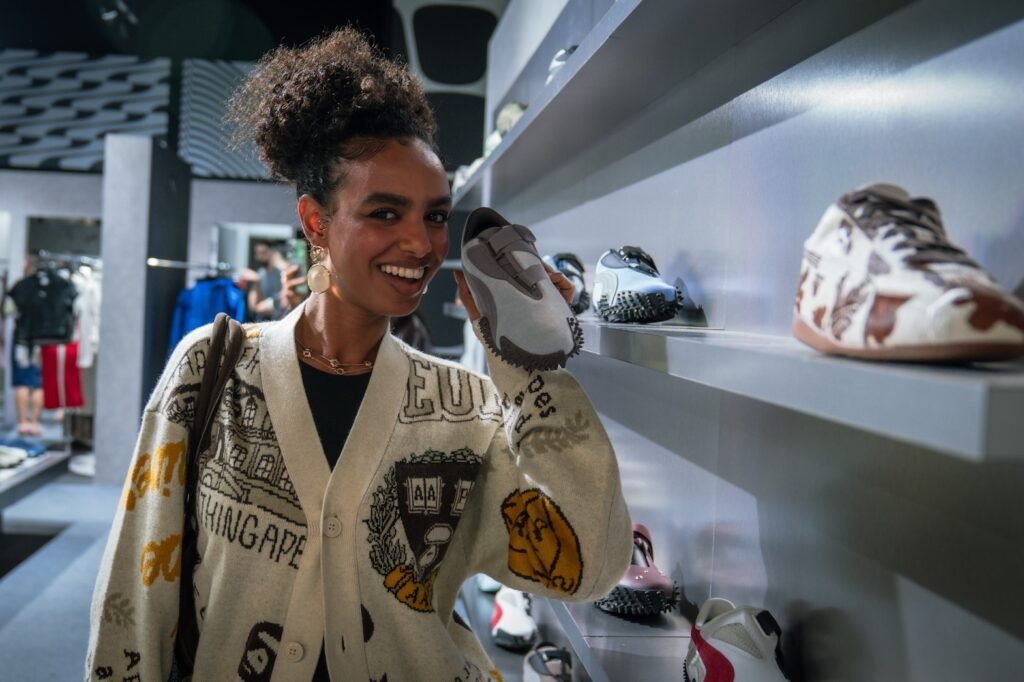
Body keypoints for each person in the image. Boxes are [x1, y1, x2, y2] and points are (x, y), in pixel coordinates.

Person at [85, 27, 631, 682]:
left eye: (435, 216)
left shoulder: (465, 405)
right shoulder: (212, 369)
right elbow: (135, 594)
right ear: (316, 222)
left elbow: (589, 566)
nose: (421, 244)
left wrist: (531, 368)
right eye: (384, 213)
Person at [246, 240, 290, 321]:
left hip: (280, 316)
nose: (260, 256)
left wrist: (277, 259)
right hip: (263, 319)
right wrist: (256, 281)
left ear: (271, 252)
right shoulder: (259, 274)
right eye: (258, 253)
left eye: (263, 252)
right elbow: (253, 306)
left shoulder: (281, 271)